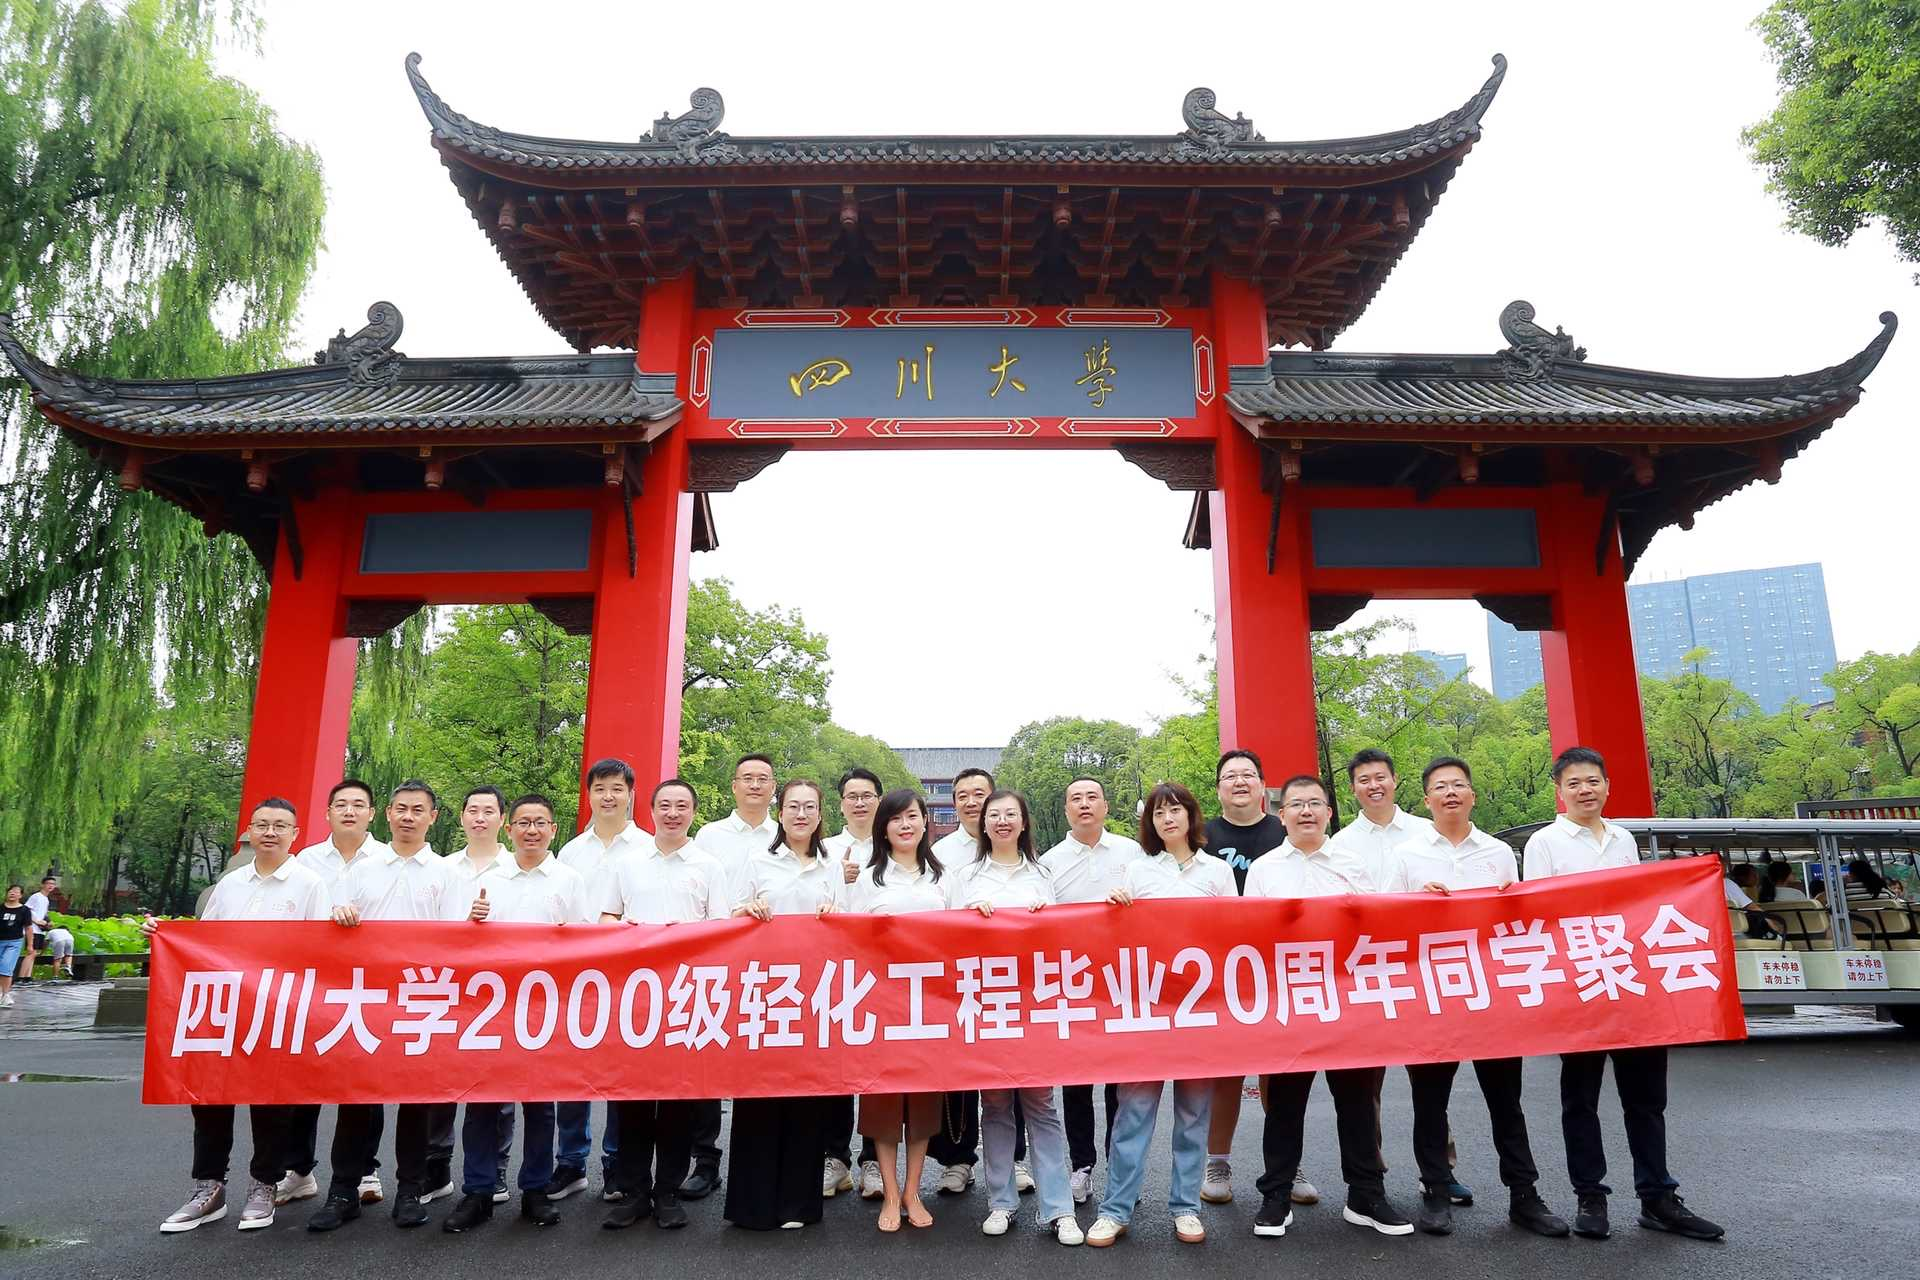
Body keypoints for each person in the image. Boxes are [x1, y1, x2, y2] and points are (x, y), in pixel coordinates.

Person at [1522, 746, 1725, 1243]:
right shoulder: (1544, 843)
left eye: (1592, 781)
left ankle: (1657, 1196)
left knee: (1646, 1098)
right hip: (1581, 985)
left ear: (1607, 786)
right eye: (1574, 783)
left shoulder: (1623, 839)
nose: (1584, 790)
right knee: (1580, 1098)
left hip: (1633, 984)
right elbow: (1537, 915)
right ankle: (1590, 1195)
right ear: (1559, 791)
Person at [1383, 758, 1569, 1239]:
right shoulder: (1406, 855)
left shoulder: (1499, 852)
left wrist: (1513, 899)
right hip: (1433, 994)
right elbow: (1384, 922)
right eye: (1440, 787)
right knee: (1430, 1101)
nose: (1450, 793)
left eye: (1459, 785)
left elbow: (1521, 923)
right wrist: (1415, 902)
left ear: (1473, 796)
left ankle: (1524, 1196)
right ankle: (1435, 1190)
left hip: (1493, 995)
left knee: (1506, 1101)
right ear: (1426, 799)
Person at [144, 798, 330, 1233]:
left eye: (280, 825)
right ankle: (208, 1188)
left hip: (279, 1009)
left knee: (271, 1101)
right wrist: (165, 934)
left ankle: (264, 1184)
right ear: (248, 831)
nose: (270, 832)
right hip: (225, 1008)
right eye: (262, 824)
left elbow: (321, 950)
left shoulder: (309, 884)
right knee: (210, 1097)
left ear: (295, 834)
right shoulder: (230, 884)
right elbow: (204, 941)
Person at [1243, 774, 1409, 1239]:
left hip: (1347, 1000)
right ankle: (1276, 1196)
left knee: (1357, 1101)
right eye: (1296, 804)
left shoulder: (1354, 865)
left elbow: (1380, 927)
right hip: (1290, 1000)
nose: (1306, 811)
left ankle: (1366, 1195)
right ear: (1281, 816)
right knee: (1285, 1103)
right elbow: (1248, 936)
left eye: (1315, 803)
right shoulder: (1265, 870)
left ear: (1329, 812)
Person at [1086, 781, 1232, 1247]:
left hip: (1201, 1008)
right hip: (1146, 1008)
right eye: (1158, 813)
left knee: (1194, 1112)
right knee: (1133, 1111)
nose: (1168, 819)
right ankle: (1115, 1209)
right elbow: (1115, 937)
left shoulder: (1218, 872)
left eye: (1175, 810)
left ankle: (1185, 1207)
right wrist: (1115, 907)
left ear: (1191, 815)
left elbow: (1235, 935)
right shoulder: (1136, 870)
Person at [309, 779, 456, 1233]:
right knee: (356, 1098)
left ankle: (409, 1190)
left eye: (418, 810)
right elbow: (329, 929)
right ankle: (343, 1191)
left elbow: (457, 941)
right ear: (388, 814)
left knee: (415, 1102)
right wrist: (339, 917)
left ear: (433, 817)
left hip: (421, 999)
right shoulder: (361, 870)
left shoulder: (447, 872)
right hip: (367, 998)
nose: (408, 817)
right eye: (401, 809)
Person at [441, 793, 592, 1233]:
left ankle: (535, 1190)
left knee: (540, 1105)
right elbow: (457, 944)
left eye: (540, 822)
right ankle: (478, 1191)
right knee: (483, 1103)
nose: (531, 830)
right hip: (490, 1009)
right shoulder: (488, 880)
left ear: (553, 830)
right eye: (523, 822)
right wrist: (471, 921)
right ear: (509, 830)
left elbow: (588, 944)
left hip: (545, 1008)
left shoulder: (569, 880)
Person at [945, 789, 1083, 1245]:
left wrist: (1046, 918)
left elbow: (1063, 941)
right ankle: (1000, 1202)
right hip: (986, 1000)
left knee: (1042, 1104)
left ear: (1024, 823)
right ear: (983, 824)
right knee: (997, 1104)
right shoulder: (964, 877)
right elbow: (944, 938)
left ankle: (1059, 1209)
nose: (1002, 821)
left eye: (1011, 814)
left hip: (1033, 1002)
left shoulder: (1042, 875)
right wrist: (969, 918)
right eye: (994, 815)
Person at [597, 777, 727, 1229]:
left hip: (687, 997)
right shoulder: (627, 863)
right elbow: (606, 916)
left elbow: (721, 929)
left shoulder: (708, 866)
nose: (673, 813)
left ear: (694, 812)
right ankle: (634, 1191)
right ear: (650, 810)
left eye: (681, 806)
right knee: (632, 1100)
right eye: (665, 805)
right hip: (635, 997)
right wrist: (627, 932)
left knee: (677, 1102)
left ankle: (667, 1191)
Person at [723, 778, 841, 1231]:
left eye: (809, 807)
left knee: (806, 1096)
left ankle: (798, 1203)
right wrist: (747, 911)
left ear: (820, 814)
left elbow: (850, 923)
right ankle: (753, 1205)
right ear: (781, 812)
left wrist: (836, 918)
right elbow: (729, 915)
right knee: (760, 1095)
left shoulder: (831, 866)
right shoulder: (758, 861)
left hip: (814, 994)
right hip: (764, 993)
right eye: (793, 806)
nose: (801, 814)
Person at [282, 779, 395, 1209]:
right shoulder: (305, 862)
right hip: (314, 983)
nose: (350, 811)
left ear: (372, 813)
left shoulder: (389, 860)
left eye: (359, 804)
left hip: (371, 984)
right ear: (327, 813)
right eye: (341, 804)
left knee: (366, 1080)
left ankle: (366, 1169)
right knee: (306, 1076)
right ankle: (299, 1170)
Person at [844, 788, 947, 1232]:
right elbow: (849, 941)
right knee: (884, 1102)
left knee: (923, 1102)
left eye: (912, 817)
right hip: (882, 1006)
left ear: (925, 822)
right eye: (896, 818)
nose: (905, 825)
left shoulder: (944, 877)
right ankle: (889, 1191)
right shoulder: (868, 879)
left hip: (932, 1005)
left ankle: (913, 1191)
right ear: (883, 828)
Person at [554, 757, 654, 1202]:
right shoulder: (571, 852)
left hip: (630, 977)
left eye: (617, 788)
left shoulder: (649, 849)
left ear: (631, 794)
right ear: (589, 795)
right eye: (600, 788)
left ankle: (617, 1164)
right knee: (572, 1072)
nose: (608, 796)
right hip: (576, 976)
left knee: (622, 1071)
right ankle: (570, 1162)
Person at [1037, 775, 1138, 1204]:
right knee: (1076, 1082)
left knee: (1121, 1082)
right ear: (1066, 810)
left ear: (1105, 806)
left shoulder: (1132, 853)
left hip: (1122, 981)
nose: (1084, 804)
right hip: (1073, 983)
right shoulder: (1049, 862)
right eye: (1075, 799)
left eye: (1092, 797)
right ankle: (1082, 1166)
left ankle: (1120, 1168)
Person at [1199, 750, 1292, 1208]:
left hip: (1280, 968)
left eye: (1247, 775)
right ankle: (1217, 1162)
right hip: (1219, 970)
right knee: (1226, 1072)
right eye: (1230, 776)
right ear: (1218, 788)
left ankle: (1287, 1165)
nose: (1239, 782)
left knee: (1282, 1072)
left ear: (1261, 785)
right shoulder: (1201, 837)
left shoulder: (1285, 831)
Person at [687, 752, 780, 1200]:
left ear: (774, 788)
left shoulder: (785, 835)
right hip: (716, 962)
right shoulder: (709, 836)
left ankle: (762, 1162)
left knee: (763, 1062)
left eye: (763, 779)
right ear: (734, 786)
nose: (755, 785)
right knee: (708, 1058)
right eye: (747, 778)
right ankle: (705, 1161)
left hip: (773, 968)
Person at [928, 765, 995, 1194]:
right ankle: (957, 1158)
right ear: (953, 804)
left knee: (1007, 1068)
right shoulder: (940, 853)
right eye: (962, 796)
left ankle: (1014, 1158)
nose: (971, 802)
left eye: (979, 794)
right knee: (958, 1071)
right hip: (956, 975)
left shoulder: (1013, 846)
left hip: (1007, 976)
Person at [822, 767, 883, 1199]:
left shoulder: (893, 845)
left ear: (879, 800)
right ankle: (836, 1158)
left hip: (882, 971)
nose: (859, 803)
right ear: (841, 803)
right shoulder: (825, 849)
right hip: (835, 970)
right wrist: (834, 880)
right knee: (837, 1068)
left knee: (877, 1068)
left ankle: (873, 1161)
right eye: (852, 796)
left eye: (867, 795)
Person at [20, 874, 55, 981]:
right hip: (32, 928)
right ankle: (21, 977)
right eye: (48, 883)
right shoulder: (36, 896)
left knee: (34, 953)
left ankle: (27, 977)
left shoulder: (46, 899)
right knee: (31, 952)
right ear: (42, 885)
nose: (51, 886)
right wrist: (36, 921)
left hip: (40, 929)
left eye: (53, 884)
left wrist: (48, 922)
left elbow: (43, 914)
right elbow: (26, 910)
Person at [0, 884, 29, 1007]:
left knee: (6, 967)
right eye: (10, 891)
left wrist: (30, 945)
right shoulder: (1, 908)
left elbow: (28, 928)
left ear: (20, 895)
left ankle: (5, 995)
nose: (12, 893)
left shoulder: (24, 910)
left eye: (16, 891)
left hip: (14, 942)